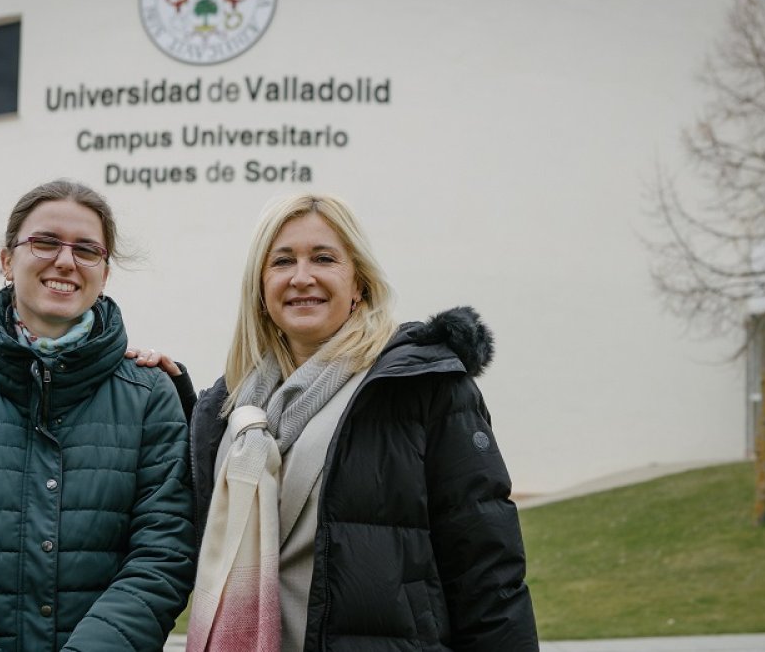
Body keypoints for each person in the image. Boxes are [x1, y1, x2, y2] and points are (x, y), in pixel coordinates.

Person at [137, 193, 538, 651]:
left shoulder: (420, 388)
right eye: (282, 261)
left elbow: (487, 573)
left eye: (323, 258)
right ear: (261, 289)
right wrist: (158, 396)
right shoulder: (231, 410)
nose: (301, 277)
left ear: (359, 283)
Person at [0, 179, 195, 652]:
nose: (66, 261)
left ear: (105, 273)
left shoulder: (150, 395)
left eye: (86, 249)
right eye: (45, 242)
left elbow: (164, 553)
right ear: (7, 261)